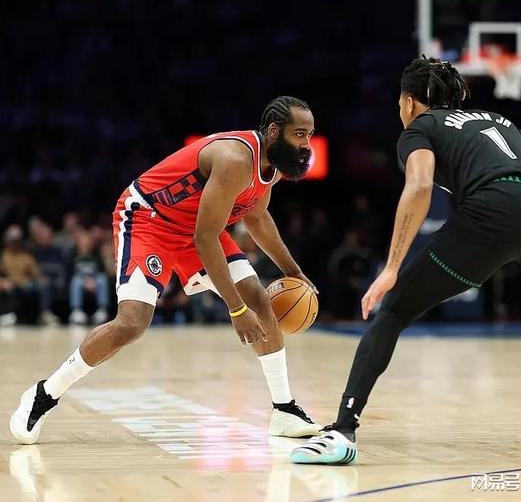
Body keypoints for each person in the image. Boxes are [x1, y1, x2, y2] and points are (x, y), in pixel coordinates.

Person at [291, 58, 521, 465]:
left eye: (399, 102)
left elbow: (420, 185)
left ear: (409, 102)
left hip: (496, 208)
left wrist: (392, 268)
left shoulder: (419, 128)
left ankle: (342, 431)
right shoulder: (498, 120)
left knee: (394, 310)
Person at [11, 96, 322, 444]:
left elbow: (257, 217)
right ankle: (44, 393)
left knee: (259, 299)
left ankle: (284, 409)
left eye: (309, 135)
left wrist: (293, 271)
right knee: (132, 322)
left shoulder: (272, 166)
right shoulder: (235, 160)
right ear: (274, 131)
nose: (306, 145)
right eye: (300, 134)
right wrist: (236, 309)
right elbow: (206, 239)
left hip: (194, 227)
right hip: (149, 219)